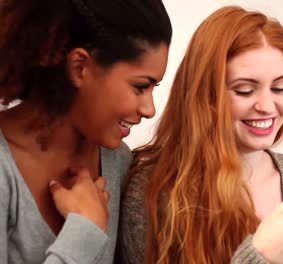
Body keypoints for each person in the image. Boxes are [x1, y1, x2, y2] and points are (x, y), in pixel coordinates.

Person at [118, 6, 283, 264]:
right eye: (245, 90)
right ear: (205, 95)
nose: (268, 106)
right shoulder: (152, 192)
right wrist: (262, 256)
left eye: (280, 87)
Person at [0, 0, 172, 263]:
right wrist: (84, 233)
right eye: (140, 87)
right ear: (80, 67)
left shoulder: (118, 161)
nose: (150, 109)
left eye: (154, 88)